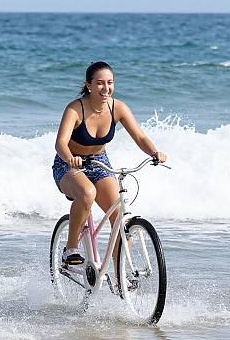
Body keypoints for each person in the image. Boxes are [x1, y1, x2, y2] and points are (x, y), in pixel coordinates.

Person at [52, 61, 166, 266]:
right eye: (100, 83)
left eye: (110, 83)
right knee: (87, 193)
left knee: (119, 218)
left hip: (99, 162)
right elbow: (60, 142)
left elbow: (140, 137)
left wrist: (154, 152)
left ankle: (119, 277)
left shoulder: (118, 107)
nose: (106, 88)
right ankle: (70, 249)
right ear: (88, 85)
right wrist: (70, 158)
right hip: (69, 163)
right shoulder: (75, 109)